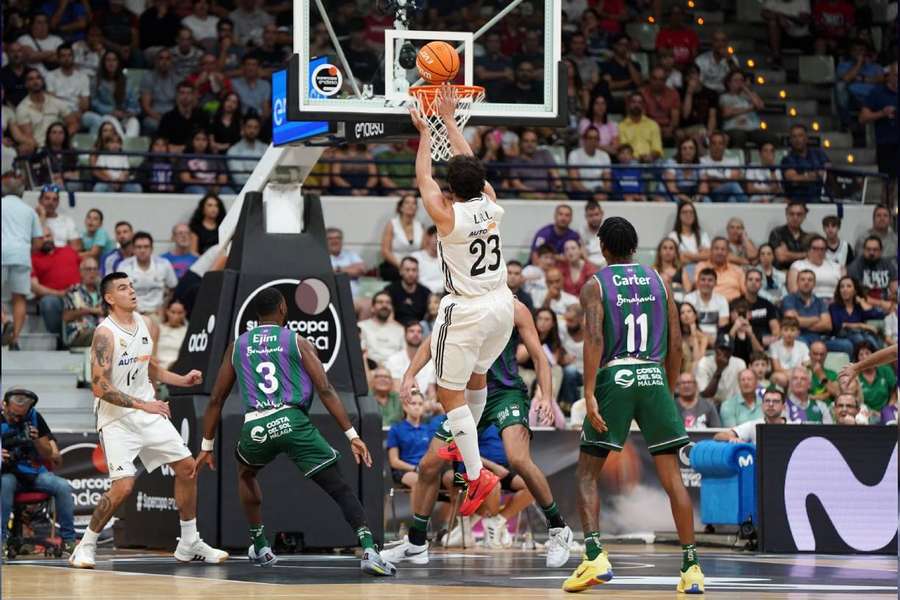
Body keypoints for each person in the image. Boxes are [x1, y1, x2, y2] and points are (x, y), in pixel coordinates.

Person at [193, 287, 395, 575]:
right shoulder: (297, 341)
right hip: (292, 420)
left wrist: (206, 446)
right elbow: (325, 388)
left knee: (246, 473)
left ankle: (260, 545)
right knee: (338, 487)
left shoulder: (238, 344)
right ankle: (368, 549)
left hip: (256, 425)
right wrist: (353, 435)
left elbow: (215, 399)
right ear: (283, 308)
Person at [565, 217, 704, 594]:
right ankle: (691, 567)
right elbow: (676, 344)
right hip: (654, 375)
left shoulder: (595, 285)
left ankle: (595, 556)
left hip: (616, 376)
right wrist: (667, 390)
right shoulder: (660, 280)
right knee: (673, 478)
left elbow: (593, 338)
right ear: (634, 246)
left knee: (587, 474)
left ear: (604, 248)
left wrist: (590, 391)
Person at [385, 298, 572, 568]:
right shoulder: (457, 302)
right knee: (428, 467)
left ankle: (558, 528)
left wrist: (544, 394)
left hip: (505, 394)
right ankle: (416, 542)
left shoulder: (513, 307)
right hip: (467, 397)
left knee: (518, 459)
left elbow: (539, 356)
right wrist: (410, 373)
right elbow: (434, 339)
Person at [68, 272, 227, 568]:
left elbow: (147, 366)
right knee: (123, 487)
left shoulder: (143, 322)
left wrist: (181, 379)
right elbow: (100, 386)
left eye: (131, 286)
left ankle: (189, 541)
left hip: (147, 411)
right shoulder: (105, 334)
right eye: (122, 288)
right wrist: (145, 404)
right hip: (117, 419)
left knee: (187, 467)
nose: (131, 291)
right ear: (109, 298)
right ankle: (85, 544)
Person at [409, 87, 516, 516]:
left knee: (445, 392)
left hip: (467, 308)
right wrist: (450, 122)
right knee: (476, 377)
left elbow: (423, 179)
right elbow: (471, 169)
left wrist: (423, 134)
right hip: (501, 306)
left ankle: (475, 475)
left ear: (451, 189)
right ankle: (462, 436)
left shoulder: (447, 217)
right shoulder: (491, 206)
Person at [1, 388, 76, 555]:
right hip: (8, 473)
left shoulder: (34, 417)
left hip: (32, 471)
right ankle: (1, 541)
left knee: (62, 486)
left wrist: (36, 441)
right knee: (5, 484)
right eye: (13, 415)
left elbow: (49, 454)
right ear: (4, 405)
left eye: (21, 416)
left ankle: (69, 541)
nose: (16, 419)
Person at [1, 194, 43, 351]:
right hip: (21, 255)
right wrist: (24, 251)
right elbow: (39, 241)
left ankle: (4, 321)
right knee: (19, 298)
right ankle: (15, 339)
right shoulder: (29, 210)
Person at [783, 270, 852, 354]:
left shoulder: (820, 301)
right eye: (803, 279)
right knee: (801, 343)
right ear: (797, 282)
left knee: (846, 345)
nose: (806, 282)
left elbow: (827, 325)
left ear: (814, 284)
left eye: (810, 280)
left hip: (820, 338)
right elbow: (792, 322)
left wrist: (802, 322)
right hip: (800, 337)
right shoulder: (789, 299)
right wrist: (816, 319)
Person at [31, 225, 81, 338]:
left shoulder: (68, 251)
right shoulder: (33, 259)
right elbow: (34, 286)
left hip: (76, 294)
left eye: (48, 236)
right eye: (41, 237)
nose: (45, 239)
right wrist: (60, 293)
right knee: (48, 303)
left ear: (53, 236)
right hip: (54, 298)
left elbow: (85, 269)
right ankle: (59, 340)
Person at [859, 63, 897, 207]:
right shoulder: (877, 93)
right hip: (887, 143)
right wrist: (882, 113)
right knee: (888, 183)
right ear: (889, 76)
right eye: (896, 75)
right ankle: (886, 214)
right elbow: (863, 118)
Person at [117, 232, 178, 321]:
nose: (142, 250)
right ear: (133, 249)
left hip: (156, 313)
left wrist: (164, 307)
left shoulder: (164, 264)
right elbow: (118, 292)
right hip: (132, 313)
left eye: (146, 247)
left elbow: (173, 288)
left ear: (152, 249)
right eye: (139, 247)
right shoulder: (124, 266)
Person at [387, 391, 435, 491]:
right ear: (405, 406)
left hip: (426, 470)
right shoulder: (396, 429)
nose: (417, 407)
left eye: (420, 404)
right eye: (413, 403)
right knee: (420, 482)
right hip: (404, 471)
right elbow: (394, 461)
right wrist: (415, 468)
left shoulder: (428, 429)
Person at [714, 388, 792, 444]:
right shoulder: (753, 425)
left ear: (783, 407)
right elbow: (718, 436)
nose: (771, 404)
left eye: (776, 401)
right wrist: (732, 438)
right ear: (762, 405)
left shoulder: (794, 426)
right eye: (767, 401)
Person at [829, 276, 885, 351]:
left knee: (871, 339)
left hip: (861, 334)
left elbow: (877, 315)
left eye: (849, 286)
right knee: (859, 338)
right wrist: (861, 325)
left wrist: (862, 302)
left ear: (855, 291)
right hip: (841, 335)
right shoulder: (834, 307)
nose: (845, 289)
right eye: (842, 287)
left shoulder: (858, 307)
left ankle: (877, 361)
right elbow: (839, 325)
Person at [385, 322, 436, 402]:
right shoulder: (393, 360)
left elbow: (431, 392)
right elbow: (395, 391)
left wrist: (427, 405)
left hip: (424, 406)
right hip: (401, 404)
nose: (416, 334)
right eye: (412, 331)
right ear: (405, 335)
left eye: (419, 332)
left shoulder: (430, 363)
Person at [378, 194, 424, 282]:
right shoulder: (392, 224)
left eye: (414, 203)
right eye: (407, 203)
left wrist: (413, 267)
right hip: (395, 264)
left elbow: (423, 251)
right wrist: (402, 266)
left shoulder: (420, 226)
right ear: (401, 207)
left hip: (415, 265)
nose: (411, 205)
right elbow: (385, 251)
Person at [695, 333, 747, 407]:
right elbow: (705, 394)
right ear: (715, 348)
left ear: (732, 351)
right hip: (711, 406)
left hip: (734, 405)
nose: (724, 352)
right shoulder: (704, 363)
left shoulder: (740, 363)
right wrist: (719, 369)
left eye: (728, 349)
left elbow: (742, 392)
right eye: (722, 348)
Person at [781, 124, 830, 202]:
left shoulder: (819, 153)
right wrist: (817, 175)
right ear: (790, 140)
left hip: (822, 197)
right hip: (799, 200)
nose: (797, 140)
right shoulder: (787, 159)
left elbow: (829, 173)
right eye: (794, 136)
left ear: (806, 138)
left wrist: (804, 176)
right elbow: (794, 180)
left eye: (800, 136)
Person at [718, 70, 767, 149]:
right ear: (729, 83)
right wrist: (750, 109)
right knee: (739, 137)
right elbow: (727, 113)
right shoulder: (724, 97)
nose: (739, 83)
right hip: (733, 128)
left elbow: (760, 106)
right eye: (736, 80)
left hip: (753, 128)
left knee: (770, 138)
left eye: (741, 80)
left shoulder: (751, 95)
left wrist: (747, 91)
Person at [848, 341, 897, 418]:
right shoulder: (855, 376)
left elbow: (894, 393)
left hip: (886, 413)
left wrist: (887, 410)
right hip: (864, 414)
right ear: (857, 358)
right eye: (861, 354)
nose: (864, 357)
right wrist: (869, 412)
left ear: (875, 355)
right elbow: (854, 400)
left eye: (867, 353)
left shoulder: (885, 370)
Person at [61, 257, 102, 348]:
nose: (92, 272)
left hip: (102, 331)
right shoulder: (73, 291)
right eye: (88, 269)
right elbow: (66, 317)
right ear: (81, 272)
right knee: (99, 333)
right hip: (80, 333)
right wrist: (92, 310)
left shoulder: (104, 292)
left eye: (95, 269)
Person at [787, 235, 843, 300]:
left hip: (834, 302)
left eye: (822, 249)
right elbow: (794, 291)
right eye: (815, 248)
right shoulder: (798, 266)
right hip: (808, 303)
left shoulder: (837, 267)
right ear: (808, 249)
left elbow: (844, 288)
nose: (819, 252)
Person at [158, 82, 210, 153]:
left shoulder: (203, 116)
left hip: (198, 155)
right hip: (175, 156)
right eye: (182, 93)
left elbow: (206, 142)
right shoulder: (167, 118)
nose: (185, 96)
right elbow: (163, 144)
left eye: (189, 93)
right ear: (177, 95)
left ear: (193, 96)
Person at [848, 236, 898, 309]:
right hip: (863, 305)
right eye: (868, 249)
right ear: (863, 250)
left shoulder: (888, 264)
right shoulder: (855, 266)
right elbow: (857, 294)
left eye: (875, 250)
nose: (871, 252)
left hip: (887, 304)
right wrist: (881, 303)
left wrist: (894, 298)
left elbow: (895, 288)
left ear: (881, 251)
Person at [358, 291, 405, 367]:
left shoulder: (400, 330)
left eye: (388, 303)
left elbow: (404, 356)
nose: (384, 305)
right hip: (369, 369)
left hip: (395, 371)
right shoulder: (361, 327)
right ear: (372, 308)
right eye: (380, 302)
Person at [683, 268, 729, 342]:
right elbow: (686, 325)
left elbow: (723, 327)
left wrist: (711, 340)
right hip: (694, 339)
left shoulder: (722, 300)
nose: (706, 283)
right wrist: (704, 338)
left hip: (715, 340)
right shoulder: (689, 298)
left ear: (715, 283)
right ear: (698, 282)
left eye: (710, 280)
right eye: (703, 280)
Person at [693, 237, 745, 302]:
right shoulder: (702, 266)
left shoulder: (737, 269)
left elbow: (745, 291)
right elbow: (698, 287)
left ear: (728, 252)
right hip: (710, 304)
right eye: (716, 249)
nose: (719, 252)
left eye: (723, 249)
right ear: (711, 251)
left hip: (734, 306)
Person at [383, 257, 431, 326]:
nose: (411, 273)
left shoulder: (426, 292)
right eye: (407, 270)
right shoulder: (390, 290)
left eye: (414, 270)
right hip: (395, 327)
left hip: (418, 330)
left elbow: (428, 319)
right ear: (400, 271)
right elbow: (388, 317)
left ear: (418, 272)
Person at [700, 131, 745, 203]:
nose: (717, 147)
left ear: (724, 146)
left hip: (727, 195)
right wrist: (727, 180)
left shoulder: (733, 161)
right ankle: (747, 206)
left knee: (732, 199)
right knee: (733, 186)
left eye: (720, 143)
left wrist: (713, 179)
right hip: (711, 195)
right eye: (714, 143)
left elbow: (737, 178)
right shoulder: (702, 161)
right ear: (709, 146)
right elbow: (706, 183)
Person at [617, 92, 662, 163]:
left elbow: (657, 149)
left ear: (643, 105)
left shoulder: (653, 125)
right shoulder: (621, 126)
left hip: (651, 161)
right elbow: (624, 150)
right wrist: (639, 159)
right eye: (634, 102)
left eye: (639, 102)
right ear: (629, 104)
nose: (636, 105)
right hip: (631, 162)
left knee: (667, 163)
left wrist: (650, 157)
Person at [568, 126, 611, 200]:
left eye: (596, 138)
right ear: (584, 140)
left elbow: (607, 180)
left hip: (599, 190)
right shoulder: (574, 154)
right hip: (582, 191)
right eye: (590, 138)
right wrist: (590, 195)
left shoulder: (604, 155)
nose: (593, 141)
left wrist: (604, 192)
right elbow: (574, 182)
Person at [768, 200, 812, 271]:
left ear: (804, 216)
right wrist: (805, 254)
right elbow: (781, 257)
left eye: (799, 214)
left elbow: (812, 258)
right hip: (780, 273)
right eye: (791, 214)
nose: (795, 217)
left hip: (802, 274)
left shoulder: (808, 237)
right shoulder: (777, 232)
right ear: (786, 214)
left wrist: (788, 254)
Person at [667, 199, 710, 268]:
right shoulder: (673, 236)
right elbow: (678, 259)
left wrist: (688, 255)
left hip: (702, 273)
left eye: (691, 212)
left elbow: (709, 255)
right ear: (679, 216)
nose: (688, 215)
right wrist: (699, 256)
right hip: (681, 272)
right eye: (685, 212)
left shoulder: (702, 234)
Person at [664, 137, 707, 204]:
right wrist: (687, 200)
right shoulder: (671, 163)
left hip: (693, 193)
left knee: (707, 200)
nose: (688, 151)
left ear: (695, 150)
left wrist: (697, 198)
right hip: (676, 194)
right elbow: (672, 188)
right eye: (684, 148)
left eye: (691, 148)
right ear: (680, 151)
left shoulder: (701, 163)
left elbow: (704, 187)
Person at [36, 184, 79, 250]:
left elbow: (76, 248)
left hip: (62, 256)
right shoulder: (33, 219)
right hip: (40, 257)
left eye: (54, 199)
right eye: (47, 198)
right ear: (40, 200)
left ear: (58, 202)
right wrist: (42, 216)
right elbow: (35, 245)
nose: (51, 202)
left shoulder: (67, 221)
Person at [226, 115, 266, 186]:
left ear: (259, 129)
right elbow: (239, 179)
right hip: (242, 189)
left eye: (255, 128)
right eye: (249, 127)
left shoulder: (265, 148)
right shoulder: (233, 151)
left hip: (264, 187)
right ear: (243, 128)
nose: (252, 131)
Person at [326, 227, 365, 298]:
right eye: (330, 238)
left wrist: (337, 269)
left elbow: (360, 270)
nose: (334, 241)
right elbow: (325, 273)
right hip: (330, 296)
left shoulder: (351, 255)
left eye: (338, 238)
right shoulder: (321, 257)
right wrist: (349, 269)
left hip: (354, 297)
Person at [156, 299, 187, 370]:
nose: (176, 316)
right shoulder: (158, 329)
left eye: (180, 313)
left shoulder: (187, 331)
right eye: (173, 312)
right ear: (167, 312)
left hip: (178, 368)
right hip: (158, 368)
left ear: (185, 313)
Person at [807, 340, 840, 405]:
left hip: (828, 410)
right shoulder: (803, 372)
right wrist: (823, 396)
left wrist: (821, 375)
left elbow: (837, 393)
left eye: (821, 354)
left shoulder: (832, 374)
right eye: (815, 354)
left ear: (826, 355)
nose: (818, 358)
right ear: (809, 354)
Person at [679, 302, 708, 373]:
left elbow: (698, 360)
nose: (686, 315)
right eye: (682, 313)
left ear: (695, 315)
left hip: (695, 371)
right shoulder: (678, 336)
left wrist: (694, 335)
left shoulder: (703, 337)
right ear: (679, 317)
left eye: (689, 311)